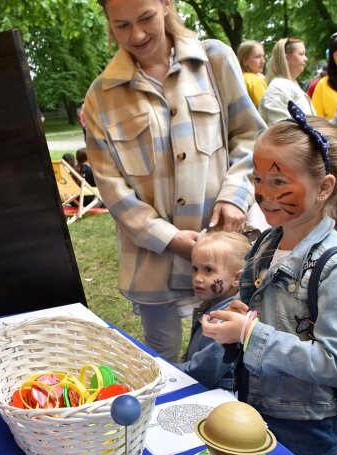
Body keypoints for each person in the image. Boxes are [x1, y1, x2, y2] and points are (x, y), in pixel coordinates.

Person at [201, 101, 337, 455]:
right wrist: (235, 321)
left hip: (308, 430)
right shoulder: (266, 243)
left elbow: (336, 363)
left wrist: (250, 333)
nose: (263, 194)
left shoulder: (334, 267)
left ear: (324, 188)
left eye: (278, 182)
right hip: (255, 412)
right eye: (257, 179)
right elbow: (262, 316)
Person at [84, 0, 264, 361]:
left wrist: (235, 195)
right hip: (153, 264)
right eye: (121, 25)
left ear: (167, 4)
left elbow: (250, 138)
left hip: (225, 254)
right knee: (161, 359)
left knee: (224, 354)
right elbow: (112, 189)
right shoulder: (100, 97)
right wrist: (168, 239)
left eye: (146, 18)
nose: (136, 35)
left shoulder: (215, 60)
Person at [175, 231, 251, 391]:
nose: (198, 277)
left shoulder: (227, 319)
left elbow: (201, 373)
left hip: (217, 398)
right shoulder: (213, 304)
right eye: (195, 268)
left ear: (237, 278)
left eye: (208, 270)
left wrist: (166, 372)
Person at [259, 37, 313, 126]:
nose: (306, 58)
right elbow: (280, 129)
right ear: (287, 57)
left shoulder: (289, 85)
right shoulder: (278, 88)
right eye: (301, 54)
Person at [237, 40, 268, 107]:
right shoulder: (255, 81)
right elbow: (265, 110)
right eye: (258, 57)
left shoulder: (236, 78)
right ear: (245, 61)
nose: (263, 61)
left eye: (263, 56)